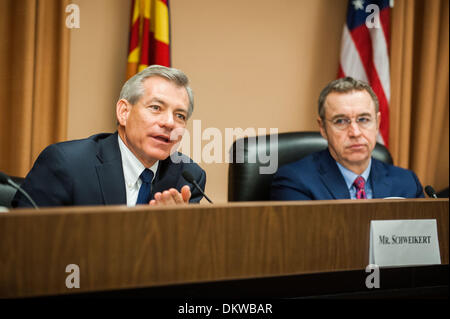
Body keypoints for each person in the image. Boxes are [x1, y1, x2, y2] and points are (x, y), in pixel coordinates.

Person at [12, 65, 206, 207]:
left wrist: (178, 232)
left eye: (180, 116)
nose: (170, 123)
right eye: (156, 108)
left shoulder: (188, 178)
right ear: (124, 112)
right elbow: (21, 244)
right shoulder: (67, 164)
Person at [270, 77, 424, 200]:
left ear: (377, 123)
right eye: (341, 121)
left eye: (363, 119)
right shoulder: (295, 182)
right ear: (323, 128)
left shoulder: (407, 183)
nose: (355, 132)